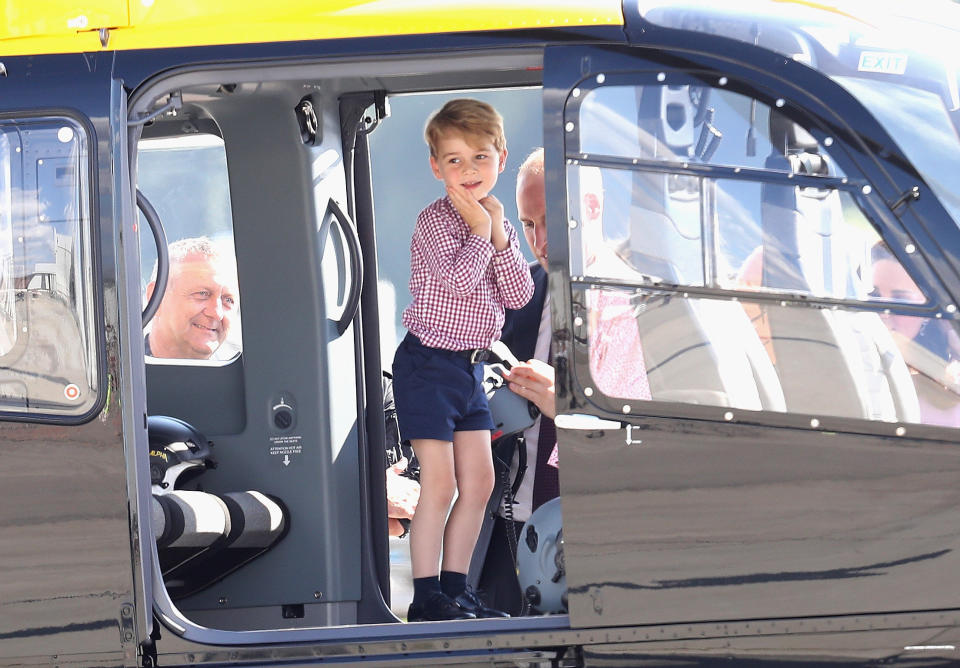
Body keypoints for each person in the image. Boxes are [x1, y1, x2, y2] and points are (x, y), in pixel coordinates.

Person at [475, 148, 650, 615]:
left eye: (550, 220)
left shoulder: (638, 307)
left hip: (589, 551)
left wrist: (572, 409)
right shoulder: (518, 297)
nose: (540, 239)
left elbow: (648, 451)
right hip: (504, 543)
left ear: (591, 208)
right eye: (528, 225)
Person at [392, 98, 534, 622]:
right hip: (427, 364)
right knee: (442, 482)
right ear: (435, 168)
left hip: (468, 370)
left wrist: (498, 233)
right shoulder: (435, 223)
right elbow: (458, 280)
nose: (469, 170)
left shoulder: (495, 221)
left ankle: (457, 587)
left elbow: (517, 294)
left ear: (502, 156)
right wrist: (478, 231)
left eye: (480, 157)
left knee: (481, 483)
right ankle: (426, 594)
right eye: (453, 160)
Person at [144, 236, 240, 361]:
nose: (217, 313)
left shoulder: (244, 377)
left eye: (228, 300)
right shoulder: (118, 373)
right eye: (202, 293)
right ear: (155, 297)